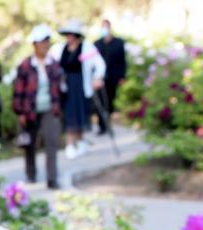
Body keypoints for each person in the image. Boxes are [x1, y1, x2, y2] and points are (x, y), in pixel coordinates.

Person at [12, 24, 64, 189]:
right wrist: (20, 111)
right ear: (34, 44)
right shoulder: (25, 65)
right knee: (30, 144)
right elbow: (18, 90)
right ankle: (31, 173)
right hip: (30, 110)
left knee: (51, 142)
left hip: (50, 108)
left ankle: (52, 178)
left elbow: (60, 87)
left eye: (46, 42)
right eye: (41, 42)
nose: (44, 46)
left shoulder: (53, 64)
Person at [50, 19, 105, 159]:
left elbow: (100, 64)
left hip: (81, 86)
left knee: (80, 115)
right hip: (66, 88)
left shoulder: (87, 48)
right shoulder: (59, 49)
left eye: (71, 34)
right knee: (69, 116)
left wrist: (97, 78)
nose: (69, 37)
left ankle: (80, 141)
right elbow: (50, 63)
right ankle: (70, 144)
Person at [94, 19, 127, 134]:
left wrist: (122, 76)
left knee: (110, 101)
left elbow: (122, 60)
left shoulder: (119, 43)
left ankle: (107, 123)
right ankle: (101, 126)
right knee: (101, 102)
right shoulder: (97, 44)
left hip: (113, 77)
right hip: (100, 78)